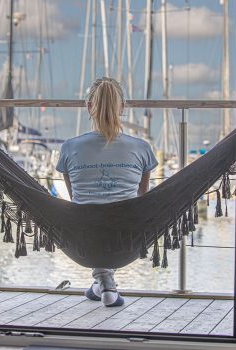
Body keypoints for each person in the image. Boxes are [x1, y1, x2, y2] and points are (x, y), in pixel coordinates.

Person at [55, 77, 158, 307]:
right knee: (114, 215)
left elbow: (76, 198)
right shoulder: (142, 148)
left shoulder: (69, 148)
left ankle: (103, 283)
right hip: (126, 235)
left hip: (84, 235)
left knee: (93, 215)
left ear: (88, 107)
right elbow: (142, 197)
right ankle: (106, 285)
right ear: (122, 108)